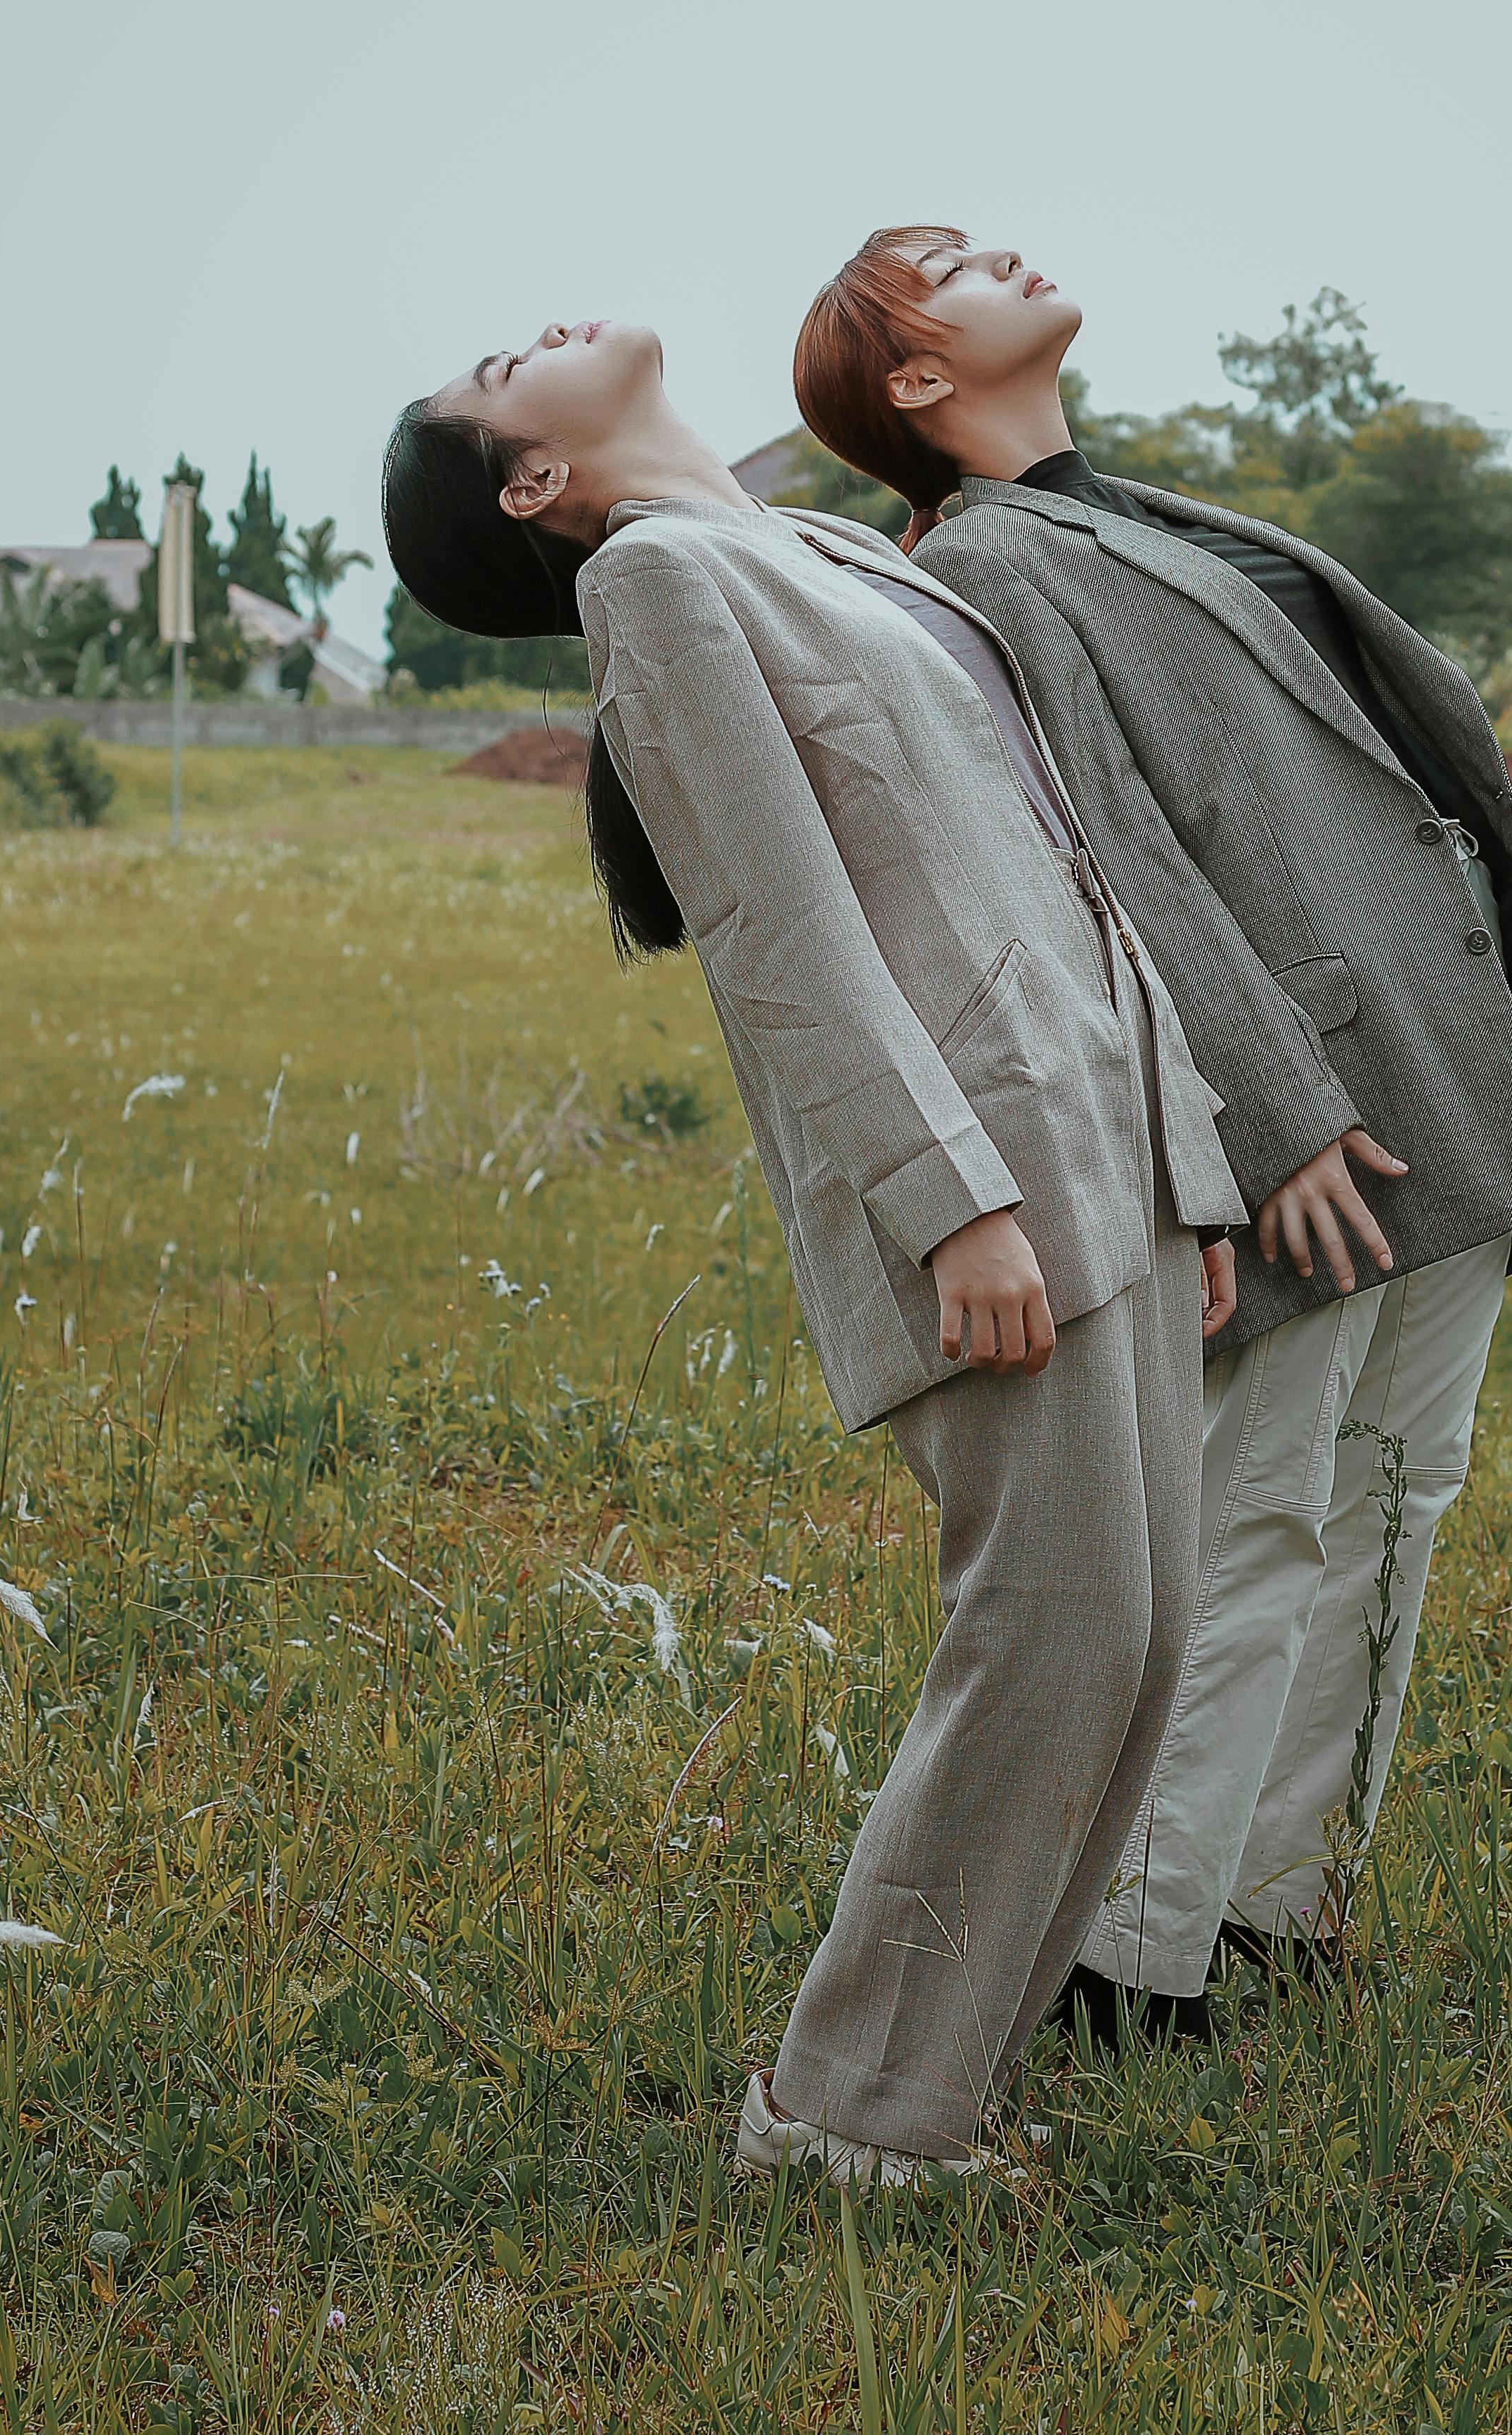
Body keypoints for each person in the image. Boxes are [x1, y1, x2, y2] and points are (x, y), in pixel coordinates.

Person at [382, 312, 1242, 2178]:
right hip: (990, 1175)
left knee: (1143, 1642)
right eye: (493, 373)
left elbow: (1053, 854)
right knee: (1055, 1634)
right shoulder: (661, 581)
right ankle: (852, 2117)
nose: (527, 334)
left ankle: (938, 2092)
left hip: (1113, 1138)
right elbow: (782, 938)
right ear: (534, 485)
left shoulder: (832, 548)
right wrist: (952, 1205)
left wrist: (1193, 1158)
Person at [793, 231, 1512, 2031]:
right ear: (917, 383)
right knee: (1260, 1508)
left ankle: (1277, 1909)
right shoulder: (992, 565)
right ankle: (1134, 1956)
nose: (1000, 250)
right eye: (947, 266)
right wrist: (1268, 1117)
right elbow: (1104, 843)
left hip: (1440, 1078)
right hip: (1313, 1108)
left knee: (1395, 1503)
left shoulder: (1130, 513)